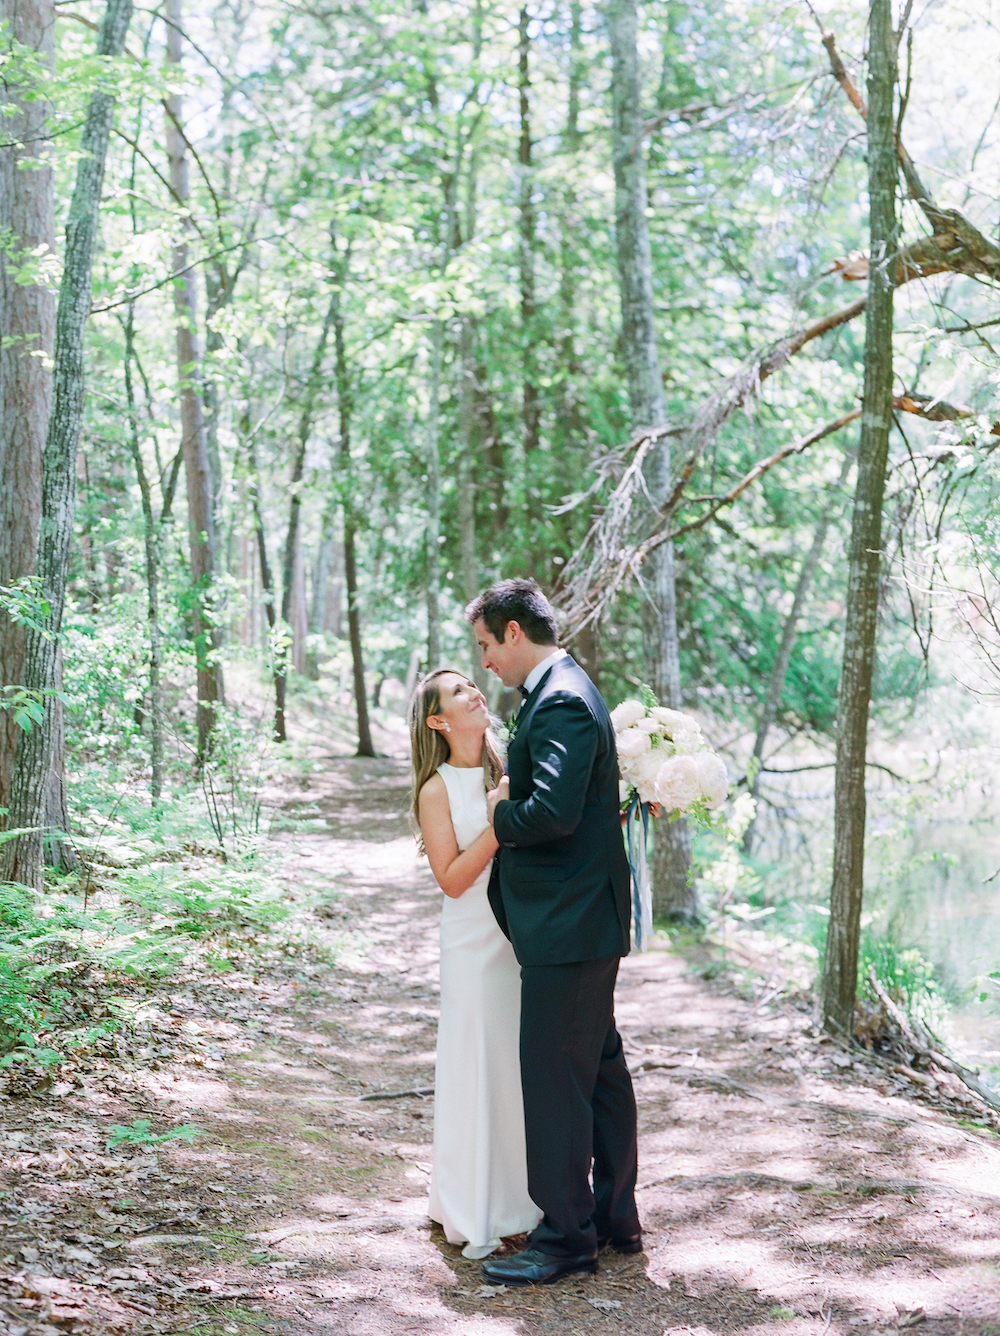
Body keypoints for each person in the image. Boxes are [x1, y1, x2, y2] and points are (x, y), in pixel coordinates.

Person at [466, 578, 641, 1287]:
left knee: (556, 1084)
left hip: (569, 927)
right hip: (582, 921)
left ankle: (567, 1239)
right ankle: (611, 1218)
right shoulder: (559, 689)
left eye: (484, 644)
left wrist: (495, 813)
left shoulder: (562, 697)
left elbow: (552, 814)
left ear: (514, 633)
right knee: (597, 1073)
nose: (483, 663)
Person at [408, 669, 542, 1259]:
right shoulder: (435, 790)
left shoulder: (507, 761)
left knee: (517, 1067)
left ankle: (525, 1199)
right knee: (476, 1063)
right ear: (439, 721)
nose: (475, 692)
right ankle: (471, 1201)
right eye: (459, 692)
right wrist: (499, 819)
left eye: (472, 684)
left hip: (522, 933)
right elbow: (453, 879)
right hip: (471, 940)